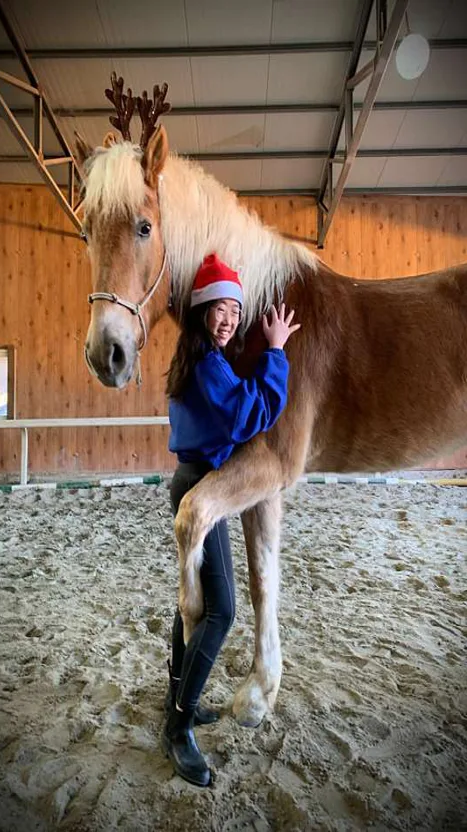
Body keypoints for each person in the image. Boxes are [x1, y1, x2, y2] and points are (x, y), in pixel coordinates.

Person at [163, 253, 300, 787]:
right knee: (221, 612)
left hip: (193, 480)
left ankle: (176, 702)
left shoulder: (194, 359)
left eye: (234, 311)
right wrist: (276, 352)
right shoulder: (209, 366)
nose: (227, 320)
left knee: (191, 604)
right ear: (201, 312)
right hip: (204, 488)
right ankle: (178, 728)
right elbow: (251, 414)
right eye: (219, 309)